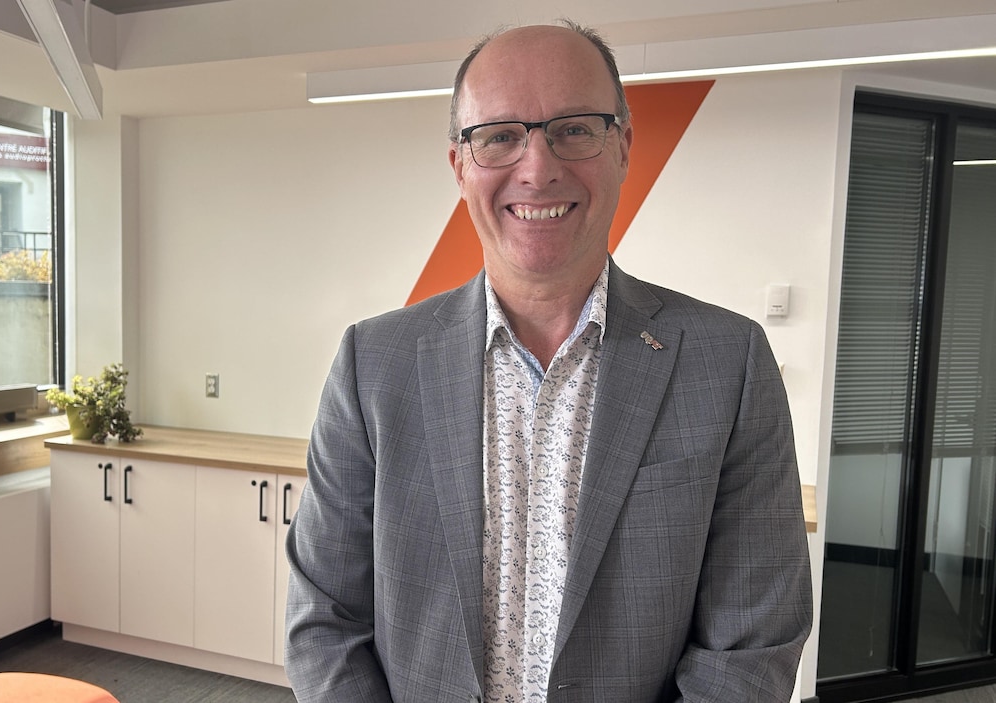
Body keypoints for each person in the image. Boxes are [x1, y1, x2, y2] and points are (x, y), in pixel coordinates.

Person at [284, 20, 812, 703]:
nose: (537, 168)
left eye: (574, 129)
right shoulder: (374, 365)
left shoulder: (727, 364)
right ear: (460, 165)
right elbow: (324, 622)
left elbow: (751, 646)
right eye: (499, 136)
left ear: (623, 147)